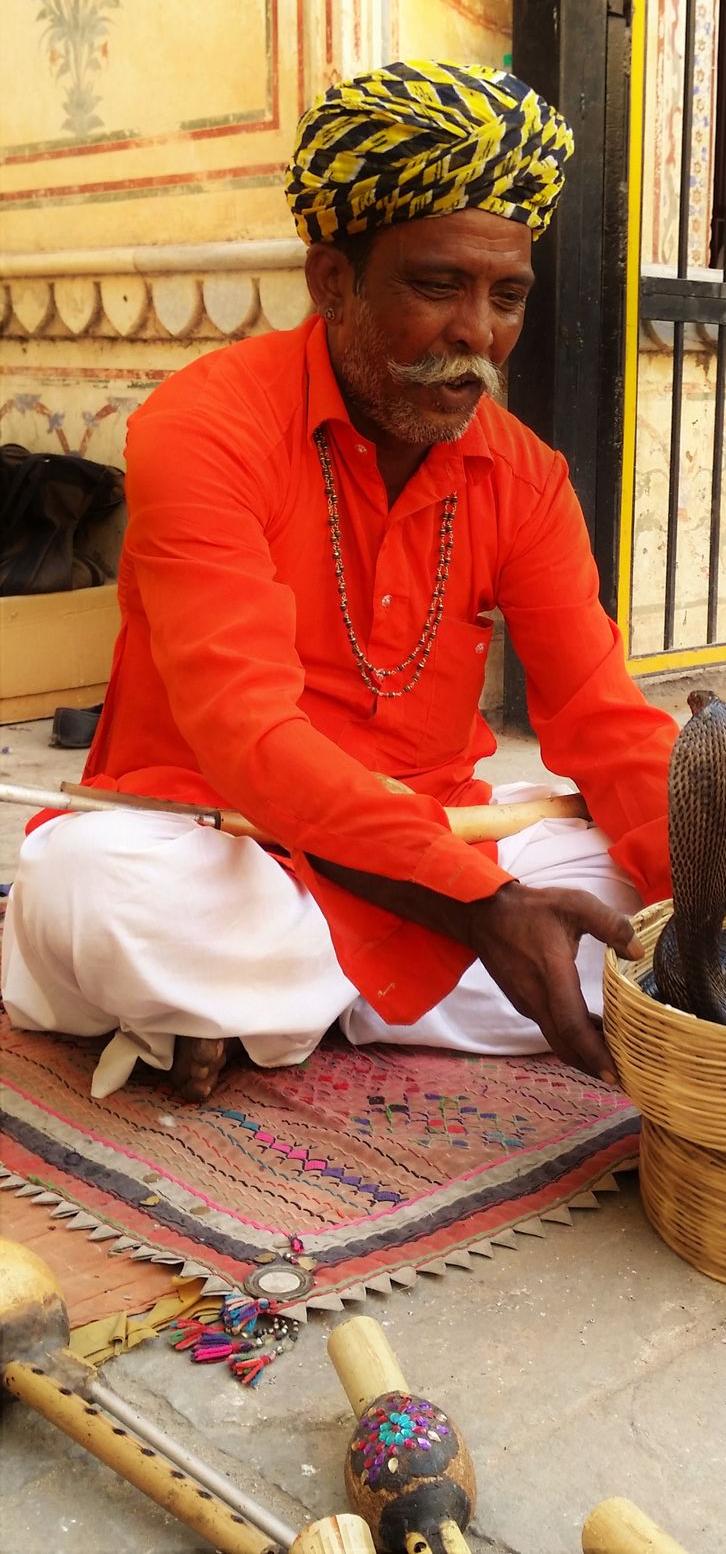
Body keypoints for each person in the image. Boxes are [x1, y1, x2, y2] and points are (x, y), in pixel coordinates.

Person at [2, 60, 678, 1103]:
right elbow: (249, 739)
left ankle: (260, 1010)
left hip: (430, 839)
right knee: (89, 890)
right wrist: (474, 909)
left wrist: (710, 905)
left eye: (507, 297)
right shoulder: (204, 427)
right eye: (437, 285)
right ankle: (372, 985)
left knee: (626, 892)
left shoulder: (527, 475)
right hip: (220, 834)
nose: (477, 335)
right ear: (332, 281)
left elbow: (604, 717)